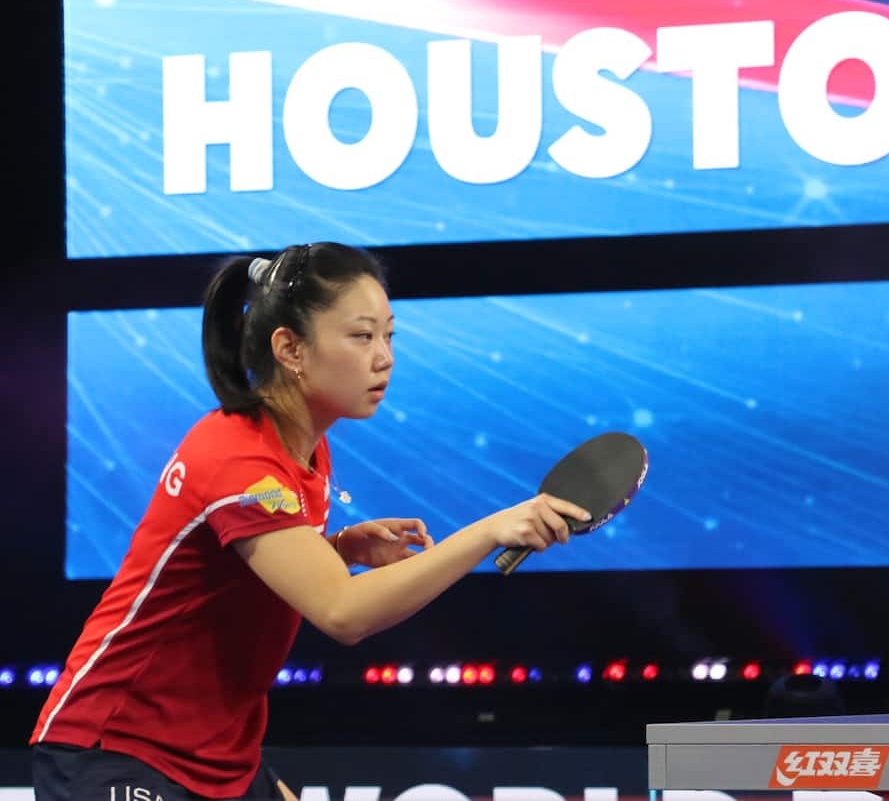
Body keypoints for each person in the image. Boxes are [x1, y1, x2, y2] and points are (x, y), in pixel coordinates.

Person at [30, 243, 591, 800]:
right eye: (362, 336)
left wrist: (336, 548)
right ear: (290, 348)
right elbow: (343, 613)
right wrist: (490, 531)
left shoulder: (304, 450)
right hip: (114, 748)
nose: (385, 358)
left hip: (218, 754)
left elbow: (234, 568)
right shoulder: (237, 458)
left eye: (389, 336)